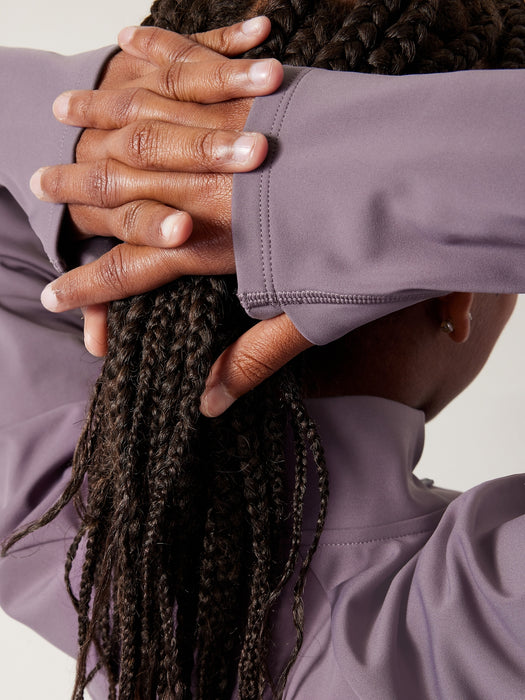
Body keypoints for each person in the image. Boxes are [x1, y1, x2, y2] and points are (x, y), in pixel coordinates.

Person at [1, 3, 525, 700]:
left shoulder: (70, 538)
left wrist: (99, 126)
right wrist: (317, 181)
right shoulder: (484, 619)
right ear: (455, 296)